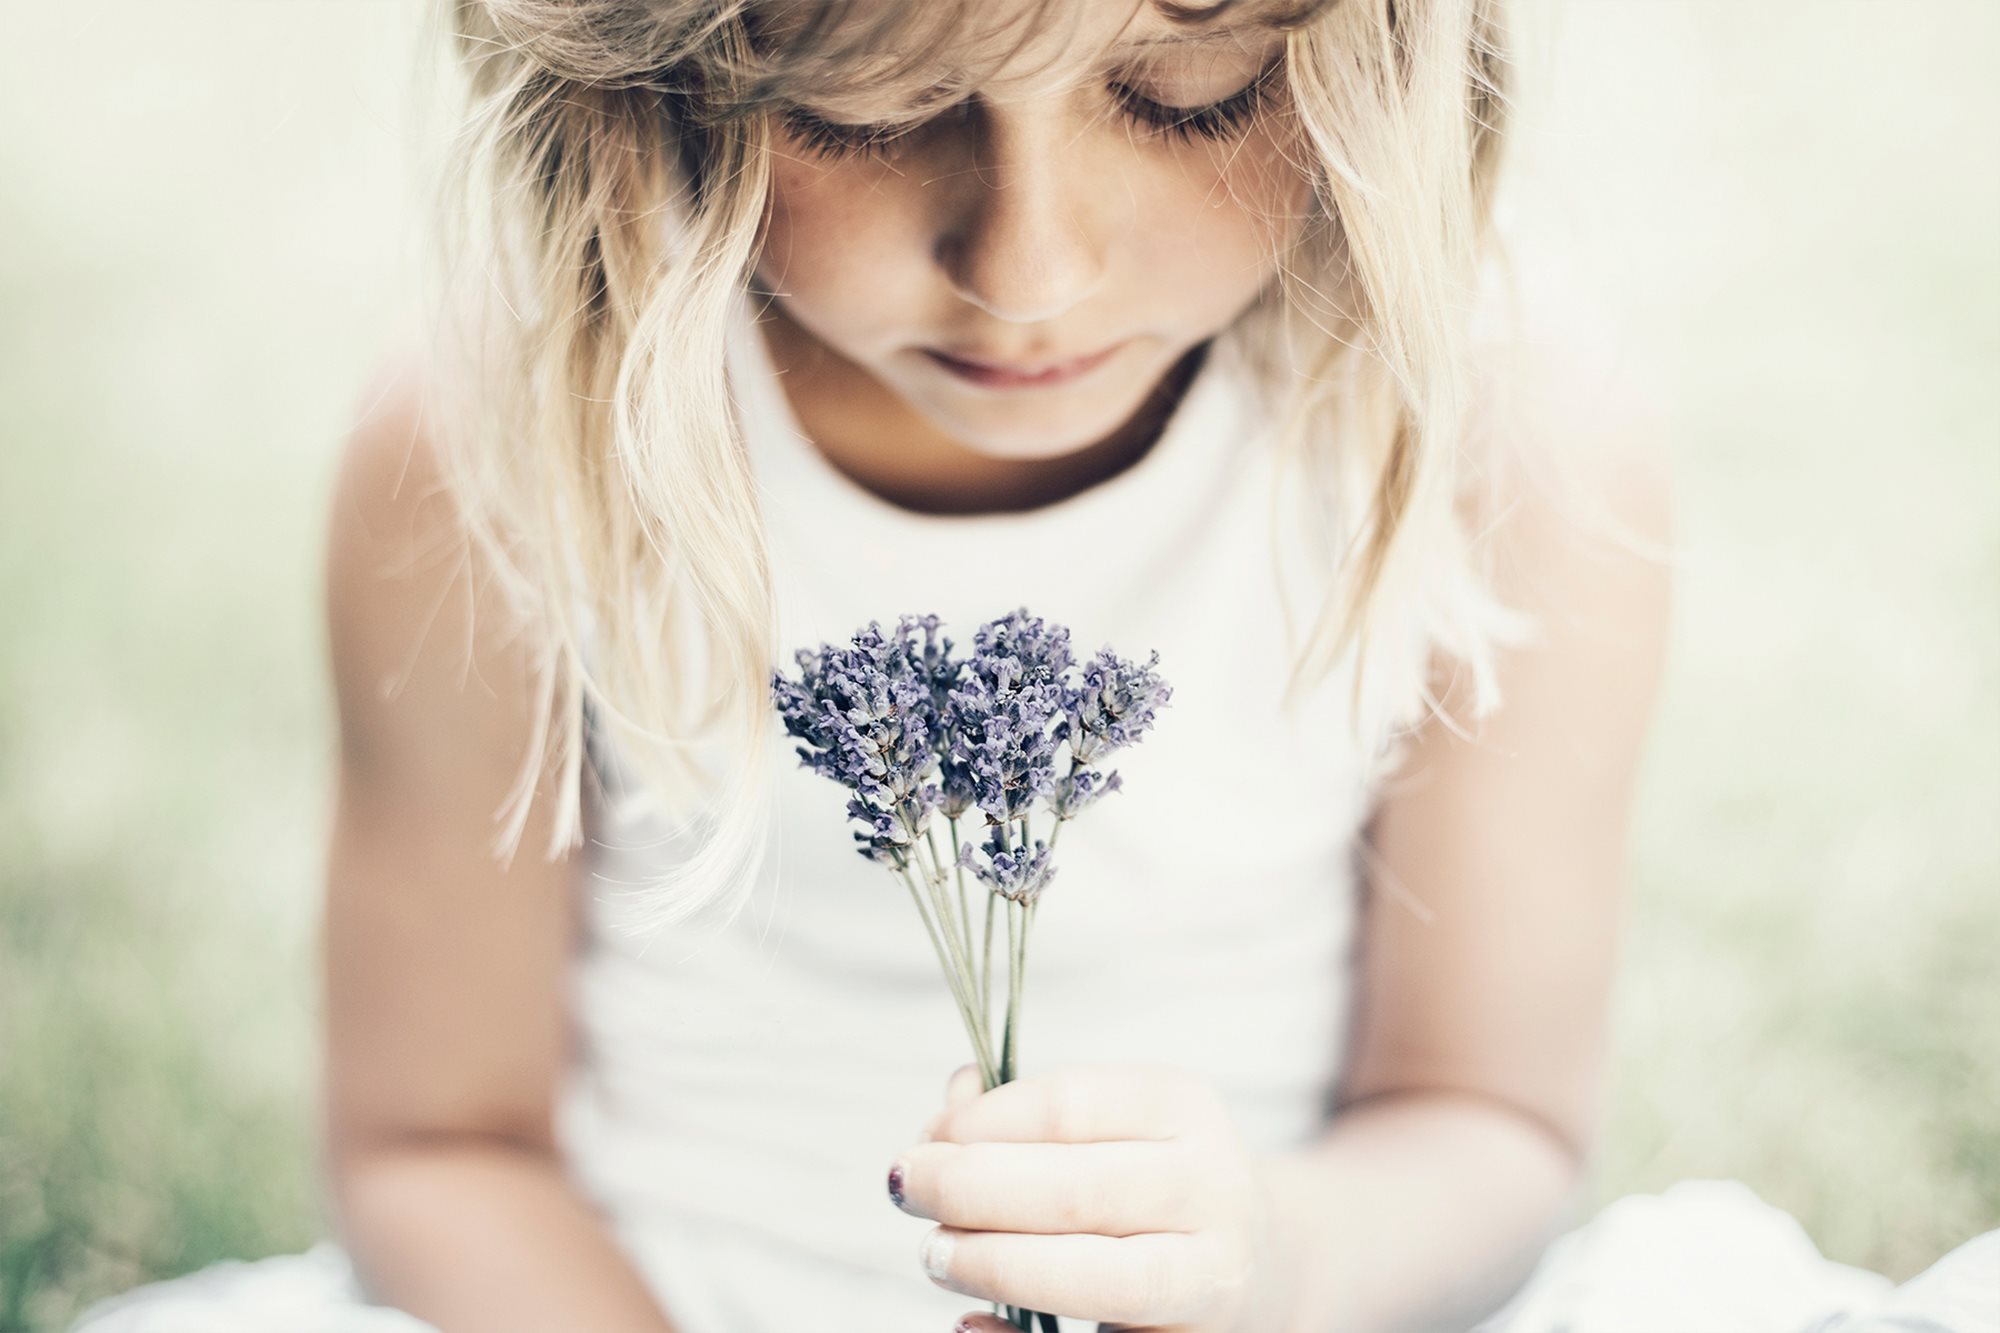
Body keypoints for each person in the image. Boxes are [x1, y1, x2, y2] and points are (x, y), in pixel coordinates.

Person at [71, 0, 1998, 1331]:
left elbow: (1487, 1125)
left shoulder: (1502, 439)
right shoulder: (495, 445)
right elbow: (434, 1140)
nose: (1033, 266)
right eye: (873, 105)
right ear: (669, 70)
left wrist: (1266, 1262)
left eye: (1185, 92)